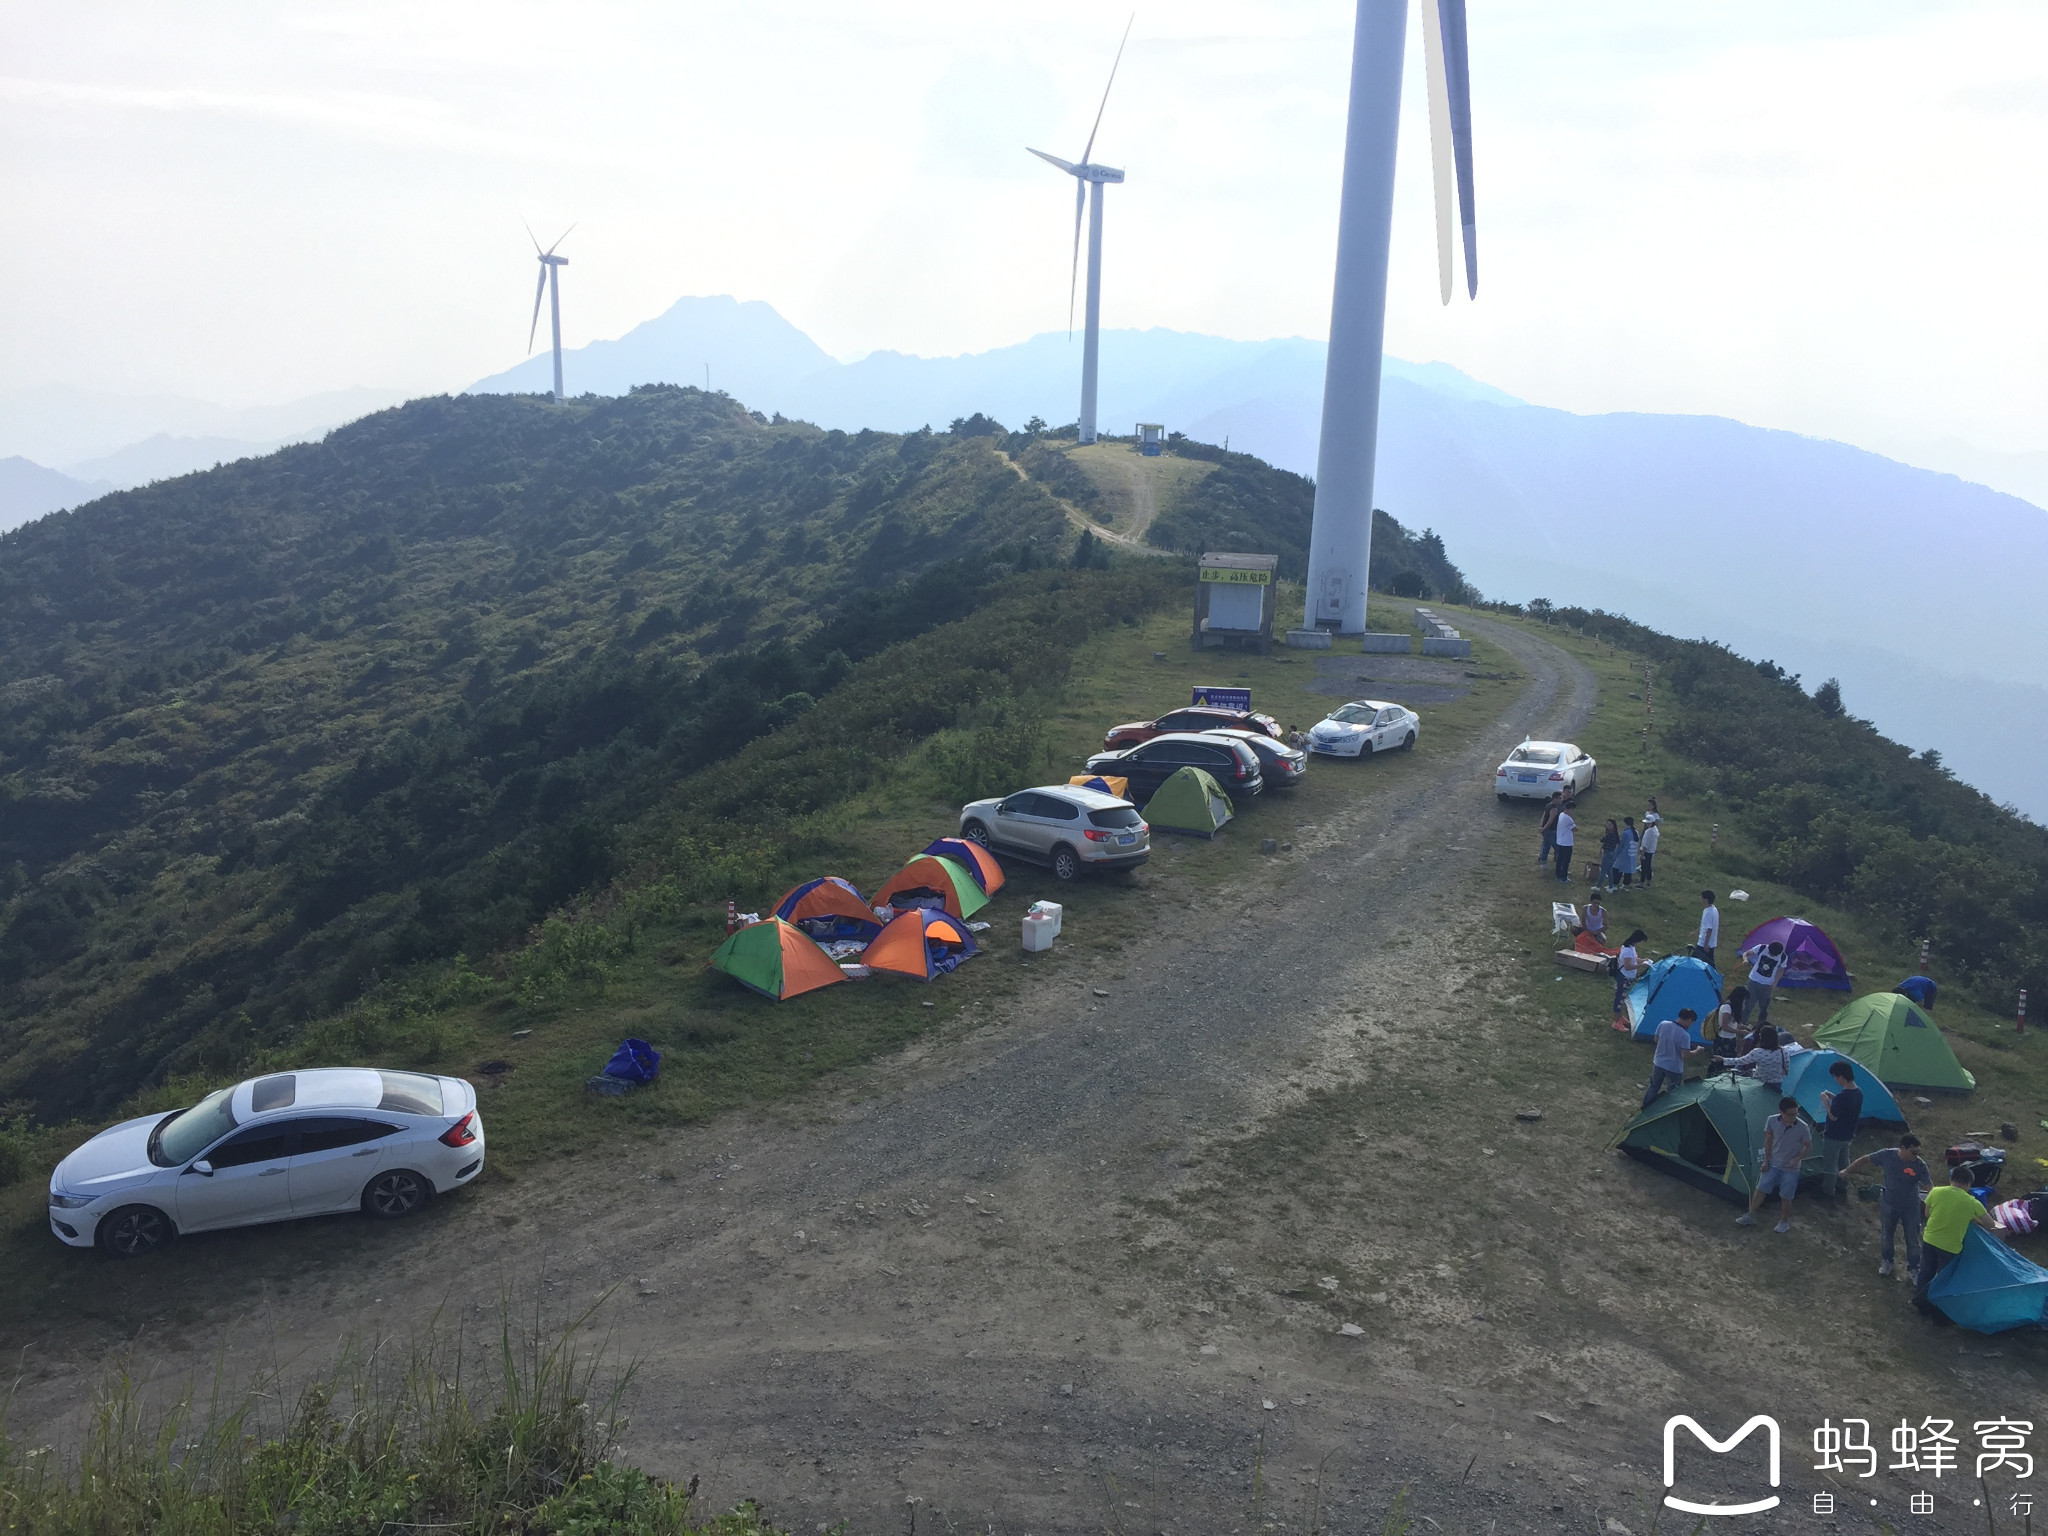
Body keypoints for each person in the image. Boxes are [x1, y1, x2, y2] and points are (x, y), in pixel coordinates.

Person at [1914, 1165, 2002, 1319]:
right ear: (1969, 1184)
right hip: (1950, 1246)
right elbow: (1991, 1224)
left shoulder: (1935, 1192)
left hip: (1930, 1239)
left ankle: (1921, 1304)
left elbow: (1927, 1213)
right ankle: (1939, 1313)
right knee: (1945, 1278)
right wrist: (1973, 1218)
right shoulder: (1972, 1202)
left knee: (1926, 1271)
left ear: (1951, 1179)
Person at [1842, 1132, 1933, 1277]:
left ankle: (1914, 1268)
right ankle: (1887, 1262)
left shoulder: (1920, 1165)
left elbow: (1929, 1187)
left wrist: (1936, 1201)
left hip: (1911, 1205)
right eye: (1913, 1151)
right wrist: (1847, 1171)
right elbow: (1866, 1159)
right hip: (1889, 1202)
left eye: (1918, 1152)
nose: (1916, 1155)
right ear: (1902, 1148)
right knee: (1886, 1235)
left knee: (1913, 1239)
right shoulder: (1887, 1155)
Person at [1737, 1096, 1812, 1234]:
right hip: (1773, 1163)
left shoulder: (1803, 1127)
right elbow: (1768, 1140)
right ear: (1781, 1113)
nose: (1794, 1117)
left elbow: (1808, 1146)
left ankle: (1784, 1222)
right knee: (1760, 1189)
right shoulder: (1772, 1120)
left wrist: (1797, 1159)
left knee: (1786, 1195)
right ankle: (1750, 1215)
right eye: (1791, 1114)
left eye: (1796, 1114)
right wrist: (1766, 1161)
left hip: (1791, 1169)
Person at [1816, 1060, 1863, 1197]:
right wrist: (1834, 1097)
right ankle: (1843, 1185)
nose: (1835, 1080)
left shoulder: (1843, 1096)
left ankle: (1828, 1190)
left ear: (1841, 1076)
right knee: (1844, 1160)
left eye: (1835, 1076)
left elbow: (1833, 1116)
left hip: (1834, 1135)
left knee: (1830, 1163)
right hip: (1848, 1134)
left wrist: (1826, 1102)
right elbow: (1846, 1107)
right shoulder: (1858, 1092)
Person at [1643, 1007, 1704, 1108]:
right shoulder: (1685, 1035)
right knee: (1673, 1091)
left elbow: (1656, 1039)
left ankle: (1646, 1107)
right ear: (1689, 1020)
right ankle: (1669, 1110)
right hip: (1674, 1068)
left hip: (1658, 1063)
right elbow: (1686, 1055)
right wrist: (1697, 1051)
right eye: (1691, 1022)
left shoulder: (1663, 1024)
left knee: (1653, 1086)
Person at [1723, 1024, 1792, 1091]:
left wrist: (1723, 1060)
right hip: (1776, 1082)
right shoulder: (1784, 1051)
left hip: (1759, 1082)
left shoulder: (1758, 1052)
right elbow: (1786, 1067)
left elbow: (1741, 1061)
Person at [1741, 939, 1789, 1025]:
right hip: (1753, 981)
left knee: (1764, 1007)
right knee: (1748, 1004)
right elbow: (1746, 953)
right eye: (1770, 953)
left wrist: (1775, 982)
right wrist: (1745, 960)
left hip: (1767, 985)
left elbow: (1781, 970)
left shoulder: (1783, 957)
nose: (1772, 955)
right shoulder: (1761, 948)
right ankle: (1742, 1023)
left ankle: (1761, 1025)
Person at [1612, 928, 1646, 1027]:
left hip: (1628, 977)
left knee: (1622, 998)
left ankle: (1620, 1017)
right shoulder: (1627, 950)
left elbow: (1633, 960)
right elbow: (1627, 966)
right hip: (1624, 977)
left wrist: (1643, 960)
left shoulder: (1631, 947)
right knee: (1619, 998)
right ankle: (1616, 1021)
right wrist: (1641, 965)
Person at [1537, 792, 1565, 869]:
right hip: (1551, 830)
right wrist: (1544, 828)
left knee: (1546, 846)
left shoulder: (1548, 805)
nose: (1561, 800)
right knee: (1558, 848)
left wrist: (1541, 826)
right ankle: (1561, 864)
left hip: (1546, 830)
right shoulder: (1554, 809)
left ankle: (1543, 862)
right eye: (1559, 798)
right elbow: (1550, 821)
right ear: (1555, 798)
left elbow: (1543, 816)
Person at [1694, 891, 1720, 968]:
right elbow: (1705, 925)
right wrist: (1696, 931)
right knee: (1709, 963)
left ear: (1706, 899)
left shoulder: (1708, 912)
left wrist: (1705, 944)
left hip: (1703, 944)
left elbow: (1709, 929)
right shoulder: (1714, 909)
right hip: (1711, 943)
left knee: (1695, 961)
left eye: (1701, 897)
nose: (1700, 898)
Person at [1639, 800, 1661, 885]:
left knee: (1644, 867)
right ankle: (1648, 881)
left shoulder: (1648, 832)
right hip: (1651, 851)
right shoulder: (1655, 830)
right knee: (1648, 866)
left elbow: (1645, 844)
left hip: (1646, 851)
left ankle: (1641, 883)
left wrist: (1642, 853)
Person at [1554, 802, 1576, 884]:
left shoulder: (1561, 814)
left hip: (1560, 841)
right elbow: (1575, 829)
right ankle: (1564, 877)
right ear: (1570, 809)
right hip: (1567, 843)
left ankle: (1558, 874)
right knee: (1566, 860)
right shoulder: (1568, 818)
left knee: (1559, 859)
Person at [1596, 819, 1621, 892]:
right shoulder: (1615, 834)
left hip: (1607, 853)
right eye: (1607, 824)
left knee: (1603, 870)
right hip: (1612, 853)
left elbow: (1602, 840)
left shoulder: (1609, 834)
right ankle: (1610, 886)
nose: (1608, 826)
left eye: (1610, 825)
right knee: (1609, 871)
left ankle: (1598, 886)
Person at [1616, 817, 1640, 889]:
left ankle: (1615, 883)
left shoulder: (1626, 833)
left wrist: (1616, 853)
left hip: (1625, 854)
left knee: (1618, 869)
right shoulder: (1636, 832)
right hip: (1632, 854)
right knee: (1628, 871)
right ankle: (1626, 884)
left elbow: (1621, 844)